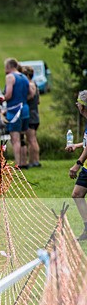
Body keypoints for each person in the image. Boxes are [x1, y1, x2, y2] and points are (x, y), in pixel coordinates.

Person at [0, 58, 30, 169]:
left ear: (8, 66)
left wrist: (2, 99)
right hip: (25, 108)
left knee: (15, 139)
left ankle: (18, 164)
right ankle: (25, 161)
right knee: (22, 137)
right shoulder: (24, 77)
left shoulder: (10, 77)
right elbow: (30, 94)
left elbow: (9, 94)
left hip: (14, 111)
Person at [65, 90, 87, 241]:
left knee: (77, 194)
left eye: (78, 103)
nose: (77, 105)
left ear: (83, 106)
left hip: (84, 166)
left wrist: (77, 164)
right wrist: (77, 145)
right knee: (77, 194)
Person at [22, 65, 41, 168]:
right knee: (32, 139)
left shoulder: (30, 85)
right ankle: (33, 160)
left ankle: (35, 161)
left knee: (31, 139)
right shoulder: (35, 84)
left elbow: (32, 96)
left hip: (30, 115)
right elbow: (38, 101)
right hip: (35, 114)